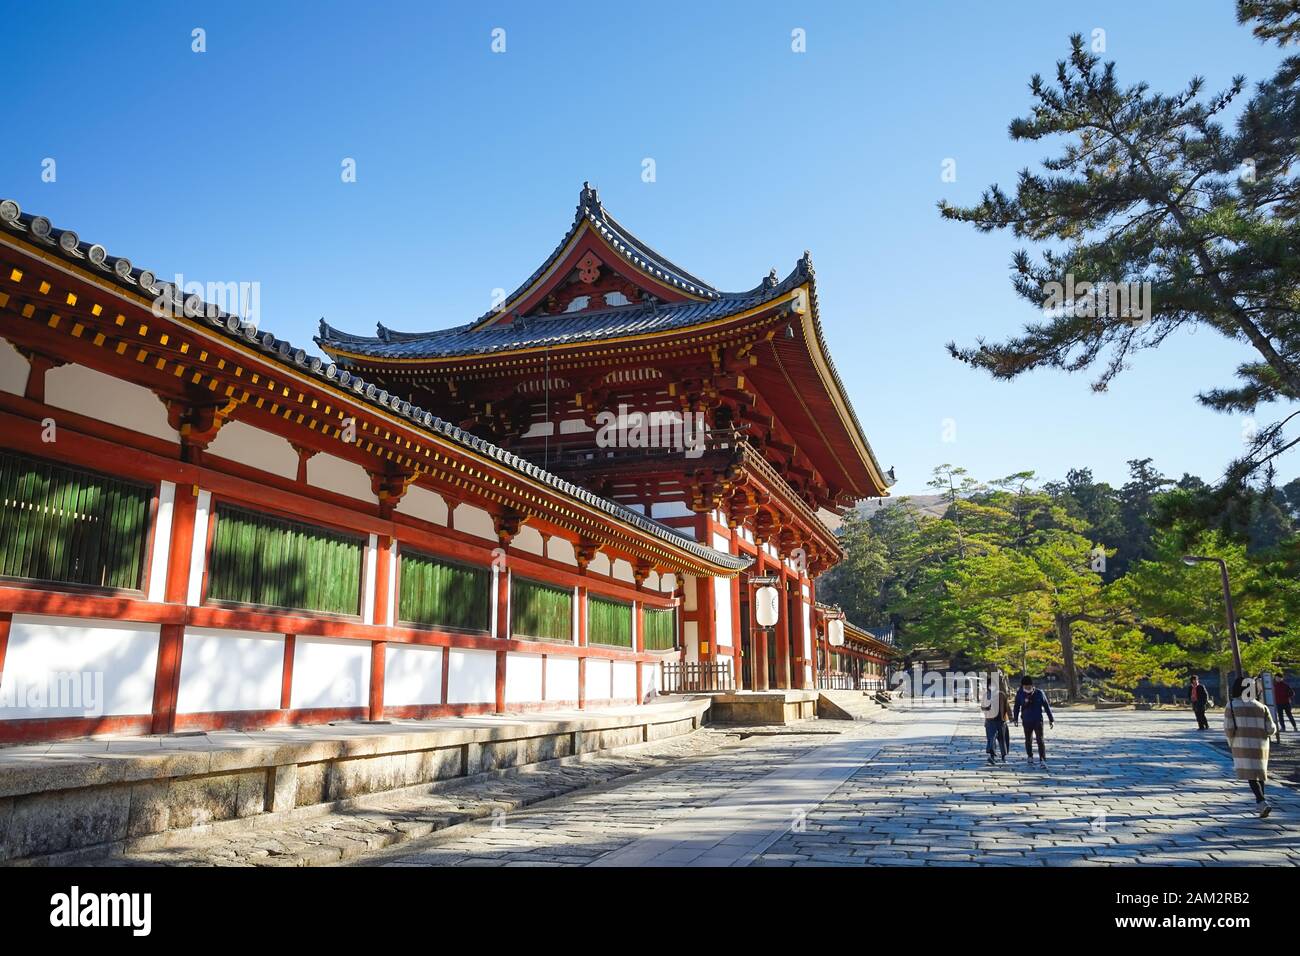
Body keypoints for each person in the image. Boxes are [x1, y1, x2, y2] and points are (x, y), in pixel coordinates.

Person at [1224, 676, 1279, 817]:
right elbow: (1271, 729)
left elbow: (1229, 728)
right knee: (1259, 774)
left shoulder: (1231, 705)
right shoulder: (1262, 707)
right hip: (1261, 745)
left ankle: (1261, 802)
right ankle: (1260, 803)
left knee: (1250, 775)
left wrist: (1231, 741)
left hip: (1242, 744)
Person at [1012, 675, 1055, 766]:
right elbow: (1016, 706)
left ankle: (1042, 758)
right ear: (1022, 686)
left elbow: (1046, 706)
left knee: (1040, 739)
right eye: (1025, 686)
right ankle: (1030, 756)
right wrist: (1015, 718)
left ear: (1032, 685)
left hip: (1037, 720)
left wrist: (1051, 719)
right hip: (1026, 720)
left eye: (1029, 686)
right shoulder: (1020, 694)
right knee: (1028, 739)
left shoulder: (1039, 693)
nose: (1027, 688)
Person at [981, 671, 1011, 765]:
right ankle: (992, 756)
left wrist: (1011, 717)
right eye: (989, 685)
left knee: (1002, 739)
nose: (991, 687)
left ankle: (1003, 756)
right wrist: (986, 707)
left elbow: (1007, 706)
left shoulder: (1001, 694)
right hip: (990, 721)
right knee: (991, 738)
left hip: (1001, 720)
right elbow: (982, 707)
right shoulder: (986, 695)